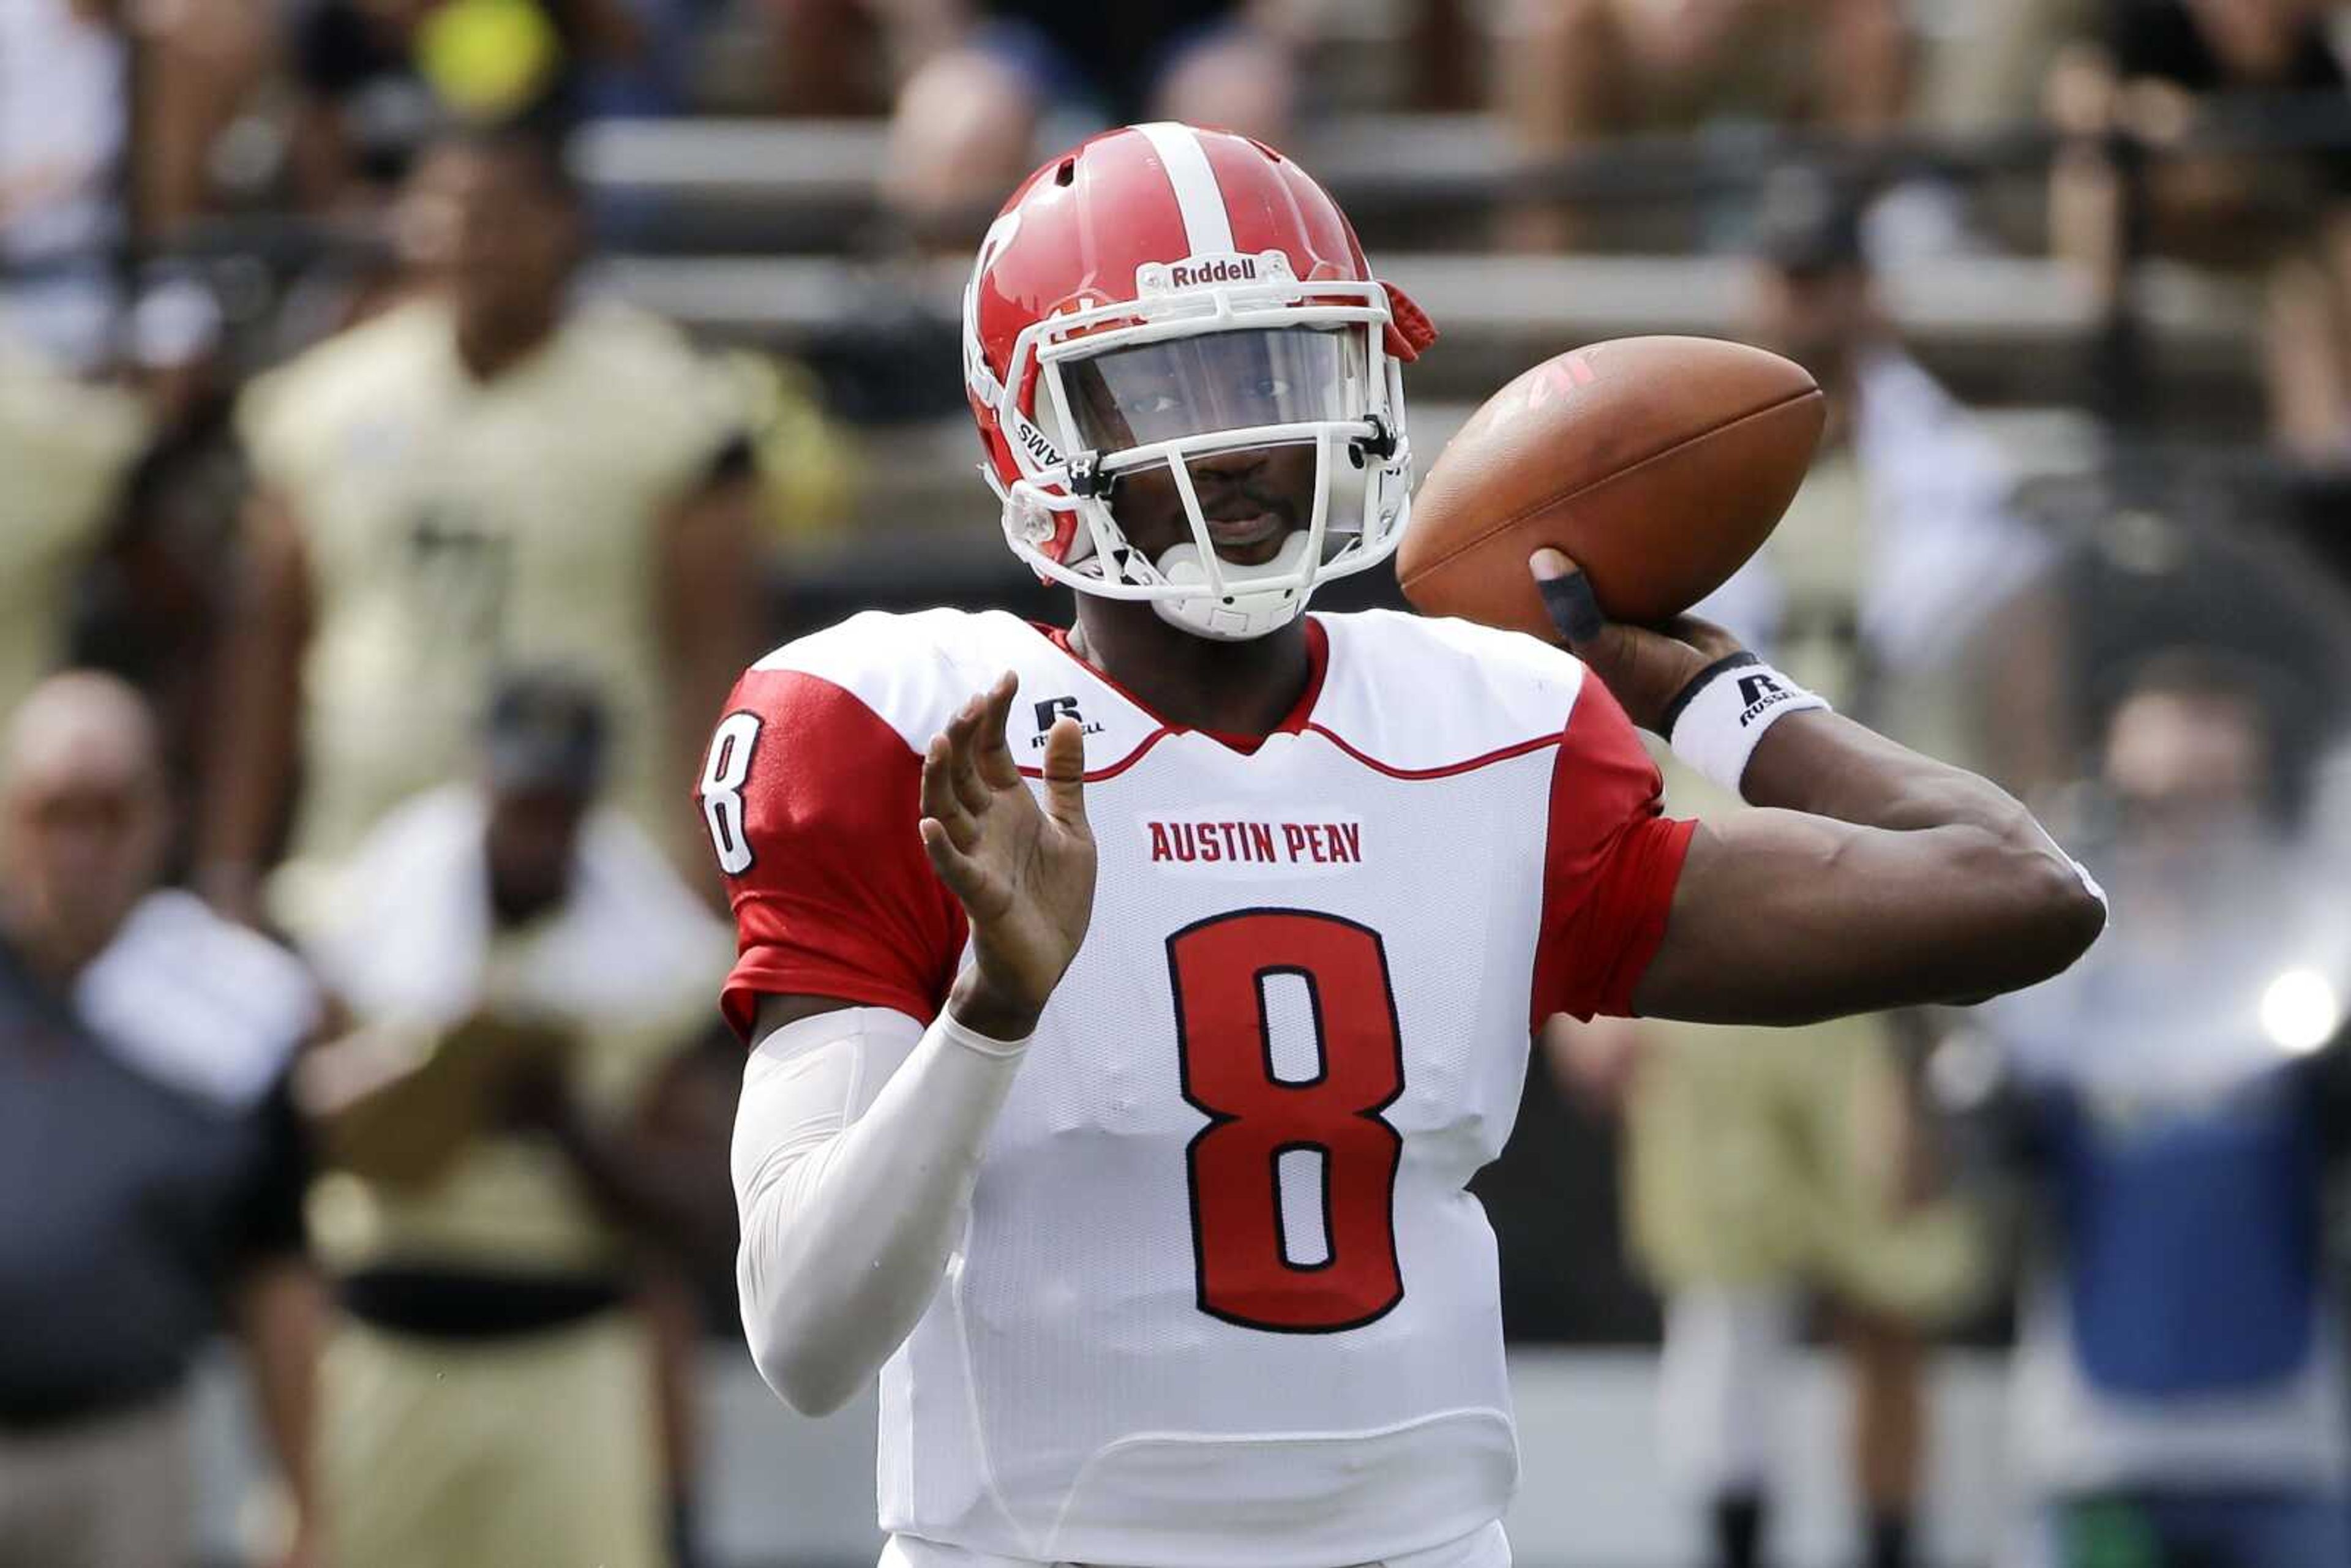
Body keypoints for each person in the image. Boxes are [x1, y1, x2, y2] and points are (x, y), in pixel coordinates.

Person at [709, 122, 2108, 1568]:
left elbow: (2021, 894)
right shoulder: (912, 730)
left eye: (1275, 369)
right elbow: (806, 1335)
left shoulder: (1489, 726)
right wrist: (992, 1009)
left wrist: (1703, 691)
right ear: (1035, 424)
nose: (1241, 439)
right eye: (1166, 383)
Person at [201, 119, 759, 917]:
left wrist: (712, 878)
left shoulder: (673, 413)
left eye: (502, 211)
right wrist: (232, 864)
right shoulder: (322, 405)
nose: (473, 237)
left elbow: (715, 661)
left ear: (565, 223)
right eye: (448, 208)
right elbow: (265, 651)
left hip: (600, 860)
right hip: (360, 862)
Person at [290, 669, 733, 1568]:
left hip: (569, 1357)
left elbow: (706, 1210)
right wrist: (421, 1079)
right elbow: (289, 1128)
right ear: (481, 784)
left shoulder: (658, 956)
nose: (539, 831)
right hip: (384, 1345)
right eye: (523, 802)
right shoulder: (375, 907)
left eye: (559, 808)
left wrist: (566, 1124)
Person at [1962, 654, 2351, 1568]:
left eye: (2219, 799)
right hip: (2098, 1449)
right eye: (2165, 803)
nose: (2190, 834)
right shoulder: (2054, 974)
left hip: (2283, 1446)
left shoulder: (2313, 967)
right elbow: (1985, 1165)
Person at [0, 672, 323, 1568]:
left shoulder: (231, 1008)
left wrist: (299, 1492)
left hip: (125, 1450)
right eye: (53, 811)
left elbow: (277, 1274)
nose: (79, 846)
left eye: (109, 811)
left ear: (161, 816)